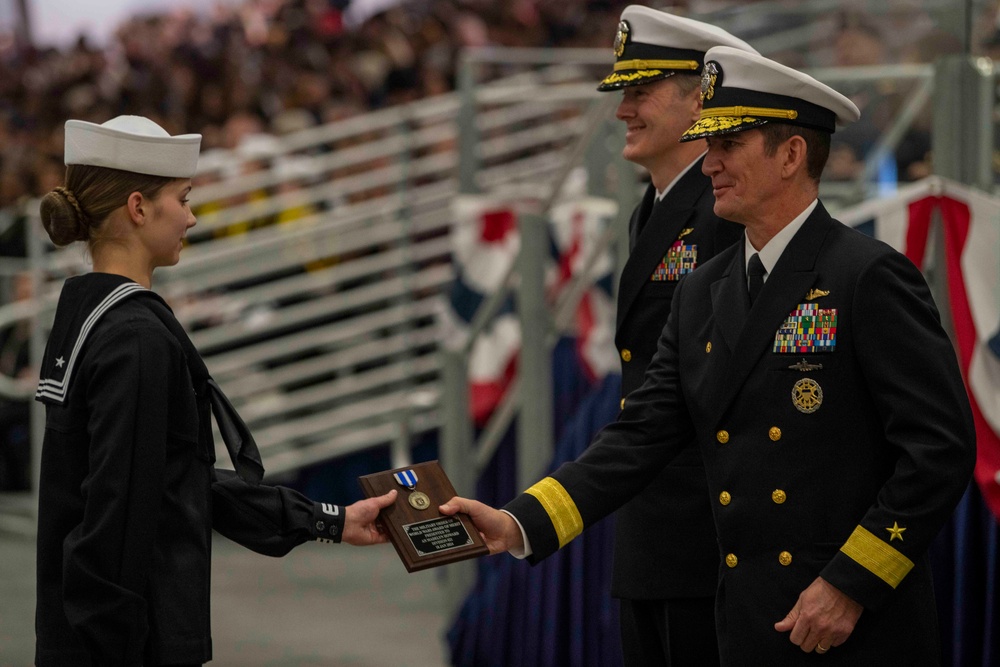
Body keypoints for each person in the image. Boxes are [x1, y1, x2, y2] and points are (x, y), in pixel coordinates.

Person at [443, 47, 976, 665]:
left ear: (791, 155)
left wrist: (851, 584)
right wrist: (520, 523)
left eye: (730, 144)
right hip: (749, 617)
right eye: (708, 142)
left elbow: (939, 451)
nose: (711, 163)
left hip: (847, 622)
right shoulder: (704, 289)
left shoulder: (869, 277)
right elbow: (642, 431)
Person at [33, 115, 397, 667]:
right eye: (182, 199)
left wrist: (327, 520)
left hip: (90, 635)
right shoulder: (136, 338)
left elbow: (170, 478)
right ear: (138, 208)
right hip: (129, 643)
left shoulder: (88, 312)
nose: (193, 216)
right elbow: (114, 522)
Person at [594, 7, 752, 665]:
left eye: (642, 92)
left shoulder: (720, 212)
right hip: (654, 524)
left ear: (701, 100)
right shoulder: (652, 210)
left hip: (702, 535)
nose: (624, 110)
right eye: (623, 93)